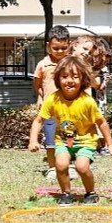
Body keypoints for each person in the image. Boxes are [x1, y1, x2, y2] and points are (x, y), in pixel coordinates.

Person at [28, 56, 112, 206]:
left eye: (75, 77)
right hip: (64, 140)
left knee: (81, 167)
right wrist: (33, 141)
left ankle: (91, 192)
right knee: (61, 165)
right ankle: (66, 194)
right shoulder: (53, 99)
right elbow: (39, 121)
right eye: (64, 77)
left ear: (82, 79)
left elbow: (101, 122)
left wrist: (110, 144)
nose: (69, 81)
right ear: (58, 79)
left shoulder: (87, 101)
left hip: (86, 141)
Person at [33, 25, 75, 178]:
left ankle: (69, 166)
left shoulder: (71, 64)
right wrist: (40, 97)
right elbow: (37, 85)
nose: (59, 52)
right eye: (55, 48)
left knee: (69, 137)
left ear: (69, 45)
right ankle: (52, 167)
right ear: (48, 47)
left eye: (63, 48)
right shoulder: (43, 65)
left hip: (68, 108)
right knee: (51, 139)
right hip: (50, 109)